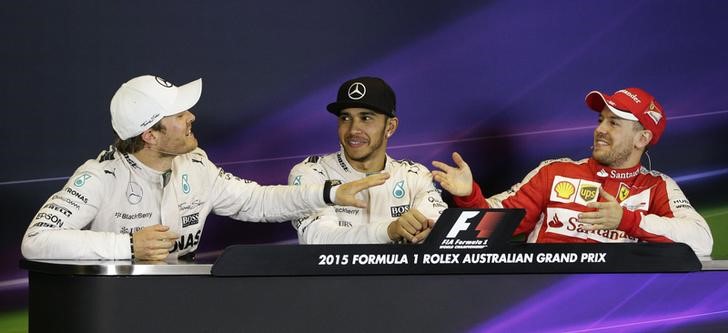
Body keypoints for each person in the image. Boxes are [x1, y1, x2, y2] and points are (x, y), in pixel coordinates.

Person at [21, 75, 388, 261]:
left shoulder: (195, 165)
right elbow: (35, 242)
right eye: (180, 115)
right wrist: (128, 245)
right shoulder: (100, 176)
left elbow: (256, 201)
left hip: (184, 309)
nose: (192, 116)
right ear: (150, 135)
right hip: (117, 313)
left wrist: (328, 194)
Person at [431, 87, 713, 256]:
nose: (600, 129)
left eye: (614, 124)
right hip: (540, 301)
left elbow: (702, 241)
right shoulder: (555, 172)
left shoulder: (657, 187)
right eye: (600, 120)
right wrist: (469, 196)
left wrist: (626, 220)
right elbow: (487, 231)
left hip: (614, 309)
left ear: (642, 139)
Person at [288, 76, 447, 244]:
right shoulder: (310, 173)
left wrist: (429, 233)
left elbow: (439, 231)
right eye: (345, 118)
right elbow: (319, 240)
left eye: (366, 118)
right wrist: (390, 231)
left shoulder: (414, 176)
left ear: (390, 127)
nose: (353, 129)